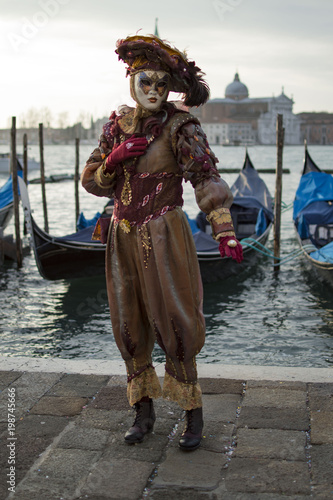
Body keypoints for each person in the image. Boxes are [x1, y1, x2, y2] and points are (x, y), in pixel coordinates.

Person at [81, 34, 243, 451]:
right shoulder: (116, 127)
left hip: (164, 235)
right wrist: (114, 161)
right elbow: (92, 182)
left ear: (170, 88)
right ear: (132, 82)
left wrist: (223, 227)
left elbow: (204, 176)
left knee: (176, 320)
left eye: (160, 85)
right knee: (128, 323)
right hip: (122, 236)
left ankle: (193, 416)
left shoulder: (181, 126)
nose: (153, 91)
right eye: (145, 82)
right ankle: (143, 413)